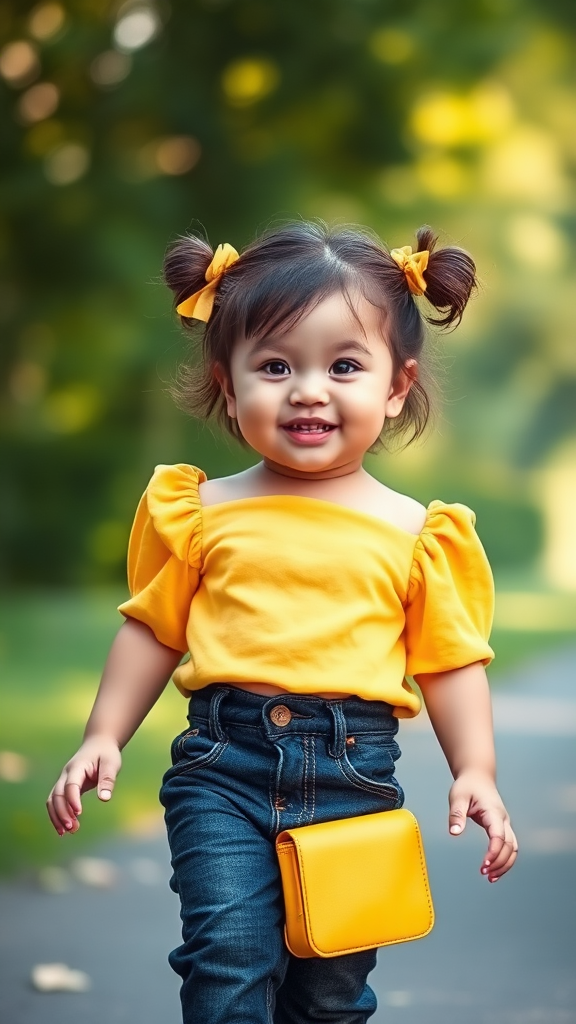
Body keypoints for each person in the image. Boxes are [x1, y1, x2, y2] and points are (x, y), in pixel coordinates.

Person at [47, 221, 517, 1024]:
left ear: (396, 387)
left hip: (354, 777)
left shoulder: (418, 533)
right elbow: (153, 628)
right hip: (222, 769)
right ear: (230, 387)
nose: (308, 389)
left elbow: (449, 661)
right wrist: (103, 735)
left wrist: (475, 769)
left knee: (330, 994)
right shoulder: (200, 511)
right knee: (228, 959)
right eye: (274, 365)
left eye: (343, 366)